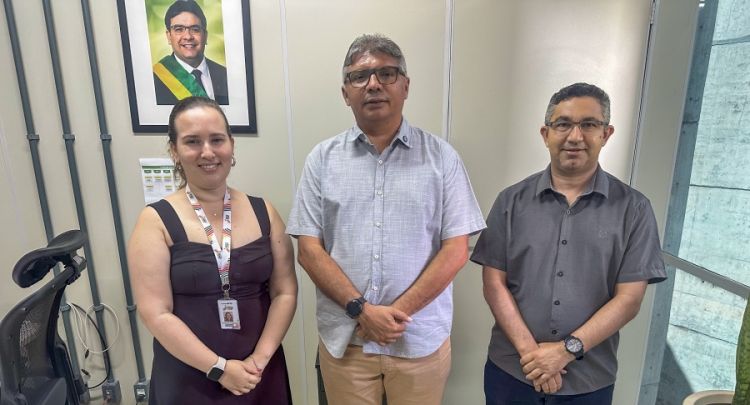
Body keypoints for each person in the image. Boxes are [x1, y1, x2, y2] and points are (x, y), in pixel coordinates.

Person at [286, 34, 486, 404]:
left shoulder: (442, 158)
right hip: (347, 344)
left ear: (405, 86)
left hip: (418, 342)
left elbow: (456, 250)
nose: (374, 84)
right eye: (359, 76)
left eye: (387, 73)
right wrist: (361, 311)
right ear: (346, 93)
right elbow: (310, 251)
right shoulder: (322, 160)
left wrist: (392, 316)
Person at [470, 82, 667, 404]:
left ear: (606, 133)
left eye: (589, 124)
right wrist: (534, 357)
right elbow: (494, 284)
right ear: (545, 134)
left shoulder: (634, 209)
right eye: (563, 124)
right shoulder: (511, 201)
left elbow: (629, 299)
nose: (575, 136)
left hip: (589, 380)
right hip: (512, 371)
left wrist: (564, 352)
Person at [128, 97, 295, 404]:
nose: (207, 152)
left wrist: (258, 360)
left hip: (259, 373)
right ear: (174, 151)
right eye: (192, 141)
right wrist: (219, 368)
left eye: (217, 140)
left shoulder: (264, 212)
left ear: (231, 145)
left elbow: (285, 292)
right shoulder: (155, 221)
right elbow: (155, 312)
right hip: (189, 377)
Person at [153, 0, 229, 105]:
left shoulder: (225, 74)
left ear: (205, 36)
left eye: (195, 29)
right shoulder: (155, 79)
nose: (188, 37)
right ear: (169, 36)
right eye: (179, 29)